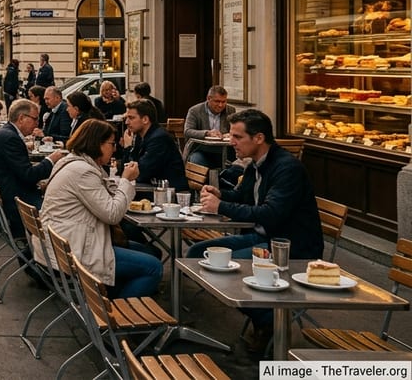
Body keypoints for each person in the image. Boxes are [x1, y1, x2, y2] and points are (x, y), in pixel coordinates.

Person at [186, 109, 323, 353]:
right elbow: (244, 197)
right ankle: (265, 319)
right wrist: (222, 195)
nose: (231, 142)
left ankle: (270, 322)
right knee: (197, 254)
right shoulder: (255, 164)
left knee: (225, 270)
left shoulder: (286, 168)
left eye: (238, 137)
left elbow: (271, 213)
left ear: (258, 138)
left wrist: (222, 206)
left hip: (288, 245)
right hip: (263, 236)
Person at [41, 119, 162, 298]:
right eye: (111, 144)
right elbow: (112, 214)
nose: (114, 149)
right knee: (154, 267)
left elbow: (107, 196)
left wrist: (121, 182)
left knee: (148, 251)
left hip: (69, 239)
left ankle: (119, 294)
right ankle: (114, 312)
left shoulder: (74, 162)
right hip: (78, 248)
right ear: (96, 143)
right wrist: (127, 180)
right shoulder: (83, 171)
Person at [0, 98, 65, 236]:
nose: (37, 124)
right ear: (21, 118)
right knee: (59, 213)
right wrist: (51, 160)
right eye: (34, 119)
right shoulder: (10, 138)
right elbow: (28, 175)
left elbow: (20, 170)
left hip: (7, 193)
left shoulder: (6, 133)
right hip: (15, 201)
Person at [118, 99, 186, 194]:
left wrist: (129, 147)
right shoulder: (139, 136)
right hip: (152, 186)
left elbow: (141, 173)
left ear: (145, 119)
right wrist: (128, 148)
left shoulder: (159, 138)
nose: (127, 122)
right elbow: (126, 169)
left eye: (131, 118)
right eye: (126, 118)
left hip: (168, 191)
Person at [183, 86, 237, 168]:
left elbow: (236, 129)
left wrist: (231, 134)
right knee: (197, 161)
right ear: (208, 99)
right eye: (217, 101)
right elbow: (187, 131)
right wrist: (207, 133)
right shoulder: (195, 111)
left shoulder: (230, 110)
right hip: (201, 149)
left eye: (224, 101)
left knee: (239, 164)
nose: (220, 105)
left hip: (224, 150)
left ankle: (224, 180)